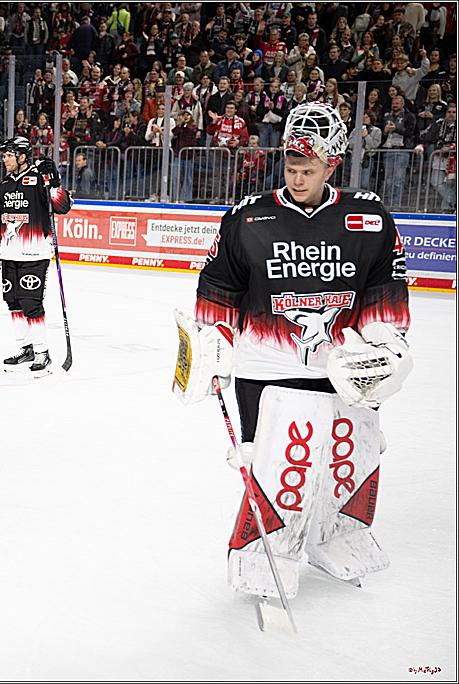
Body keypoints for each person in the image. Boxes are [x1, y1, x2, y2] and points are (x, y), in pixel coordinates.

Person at [175, 101, 411, 602]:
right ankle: (264, 554)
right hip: (266, 369)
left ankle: (336, 537)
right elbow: (219, 284)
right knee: (279, 466)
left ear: (332, 166)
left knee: (350, 457)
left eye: (309, 168)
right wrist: (214, 340)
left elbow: (384, 284)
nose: (297, 177)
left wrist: (386, 339)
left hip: (346, 366)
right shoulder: (248, 218)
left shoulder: (368, 218)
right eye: (290, 167)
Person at [0, 137, 71, 375]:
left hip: (35, 252)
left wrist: (54, 181)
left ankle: (43, 352)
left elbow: (63, 207)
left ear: (22, 156)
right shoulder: (4, 185)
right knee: (13, 301)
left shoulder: (39, 179)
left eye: (9, 155)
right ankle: (26, 348)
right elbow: (1, 217)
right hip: (10, 253)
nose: (4, 159)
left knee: (31, 303)